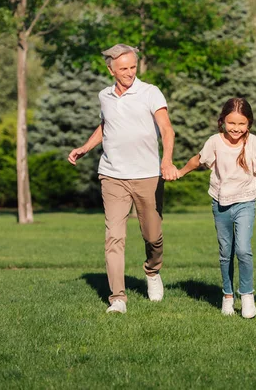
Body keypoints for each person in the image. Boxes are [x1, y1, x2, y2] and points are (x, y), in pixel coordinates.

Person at [68, 44, 178, 314]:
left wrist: (166, 160)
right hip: (112, 175)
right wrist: (86, 147)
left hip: (148, 176)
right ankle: (118, 298)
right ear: (111, 70)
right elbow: (106, 125)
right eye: (123, 69)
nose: (129, 73)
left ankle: (152, 272)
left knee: (152, 236)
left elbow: (167, 129)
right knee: (113, 238)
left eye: (132, 67)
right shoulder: (104, 96)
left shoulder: (150, 92)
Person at [176, 98, 256, 319]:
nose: (236, 128)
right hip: (220, 203)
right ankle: (227, 295)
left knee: (243, 249)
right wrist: (180, 172)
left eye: (242, 124)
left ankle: (247, 296)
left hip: (245, 203)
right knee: (226, 253)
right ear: (222, 121)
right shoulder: (214, 142)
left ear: (249, 123)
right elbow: (197, 161)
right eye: (231, 123)